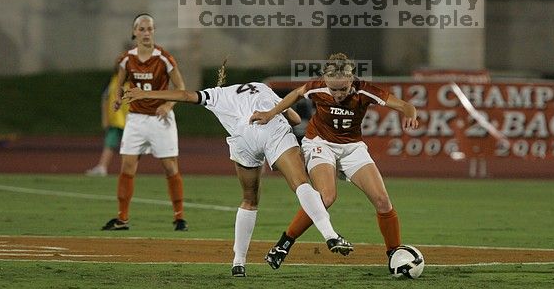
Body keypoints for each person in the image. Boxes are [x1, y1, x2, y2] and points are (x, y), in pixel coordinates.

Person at [123, 63, 353, 277]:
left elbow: (184, 95)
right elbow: (292, 117)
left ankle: (238, 262)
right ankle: (330, 234)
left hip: (244, 138)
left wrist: (145, 94)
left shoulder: (216, 94)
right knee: (301, 184)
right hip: (270, 128)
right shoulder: (262, 87)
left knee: (249, 200)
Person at [250, 52, 419, 269]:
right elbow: (296, 94)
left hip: (352, 147)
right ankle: (284, 244)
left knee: (382, 200)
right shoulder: (317, 86)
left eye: (343, 89)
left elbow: (406, 106)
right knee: (327, 197)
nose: (338, 94)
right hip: (320, 143)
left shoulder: (365, 90)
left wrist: (410, 114)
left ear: (351, 80)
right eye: (333, 89)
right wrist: (271, 113)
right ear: (326, 82)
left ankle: (395, 253)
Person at [101, 13, 188, 232]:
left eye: (150, 29)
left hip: (160, 120)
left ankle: (179, 218)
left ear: (154, 32)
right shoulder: (125, 59)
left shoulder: (165, 58)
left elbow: (180, 88)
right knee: (127, 166)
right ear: (134, 33)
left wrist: (167, 105)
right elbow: (120, 85)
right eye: (142, 29)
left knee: (170, 167)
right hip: (136, 119)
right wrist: (118, 101)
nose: (146, 33)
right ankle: (122, 219)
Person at [85, 67, 129, 177]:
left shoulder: (134, 81)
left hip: (131, 119)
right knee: (109, 143)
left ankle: (128, 170)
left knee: (130, 146)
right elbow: (105, 99)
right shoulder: (112, 80)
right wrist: (105, 118)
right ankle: (102, 167)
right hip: (115, 119)